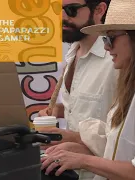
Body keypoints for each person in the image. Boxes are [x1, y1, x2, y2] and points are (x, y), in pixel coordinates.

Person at [41, 0, 135, 179]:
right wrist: (78, 146)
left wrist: (82, 160)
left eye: (111, 38)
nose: (106, 46)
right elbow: (120, 146)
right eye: (105, 39)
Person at [38, 0, 116, 179]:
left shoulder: (116, 60)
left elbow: (130, 133)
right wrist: (60, 110)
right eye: (57, 9)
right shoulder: (73, 52)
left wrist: (74, 139)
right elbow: (96, 106)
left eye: (71, 10)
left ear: (99, 9)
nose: (62, 17)